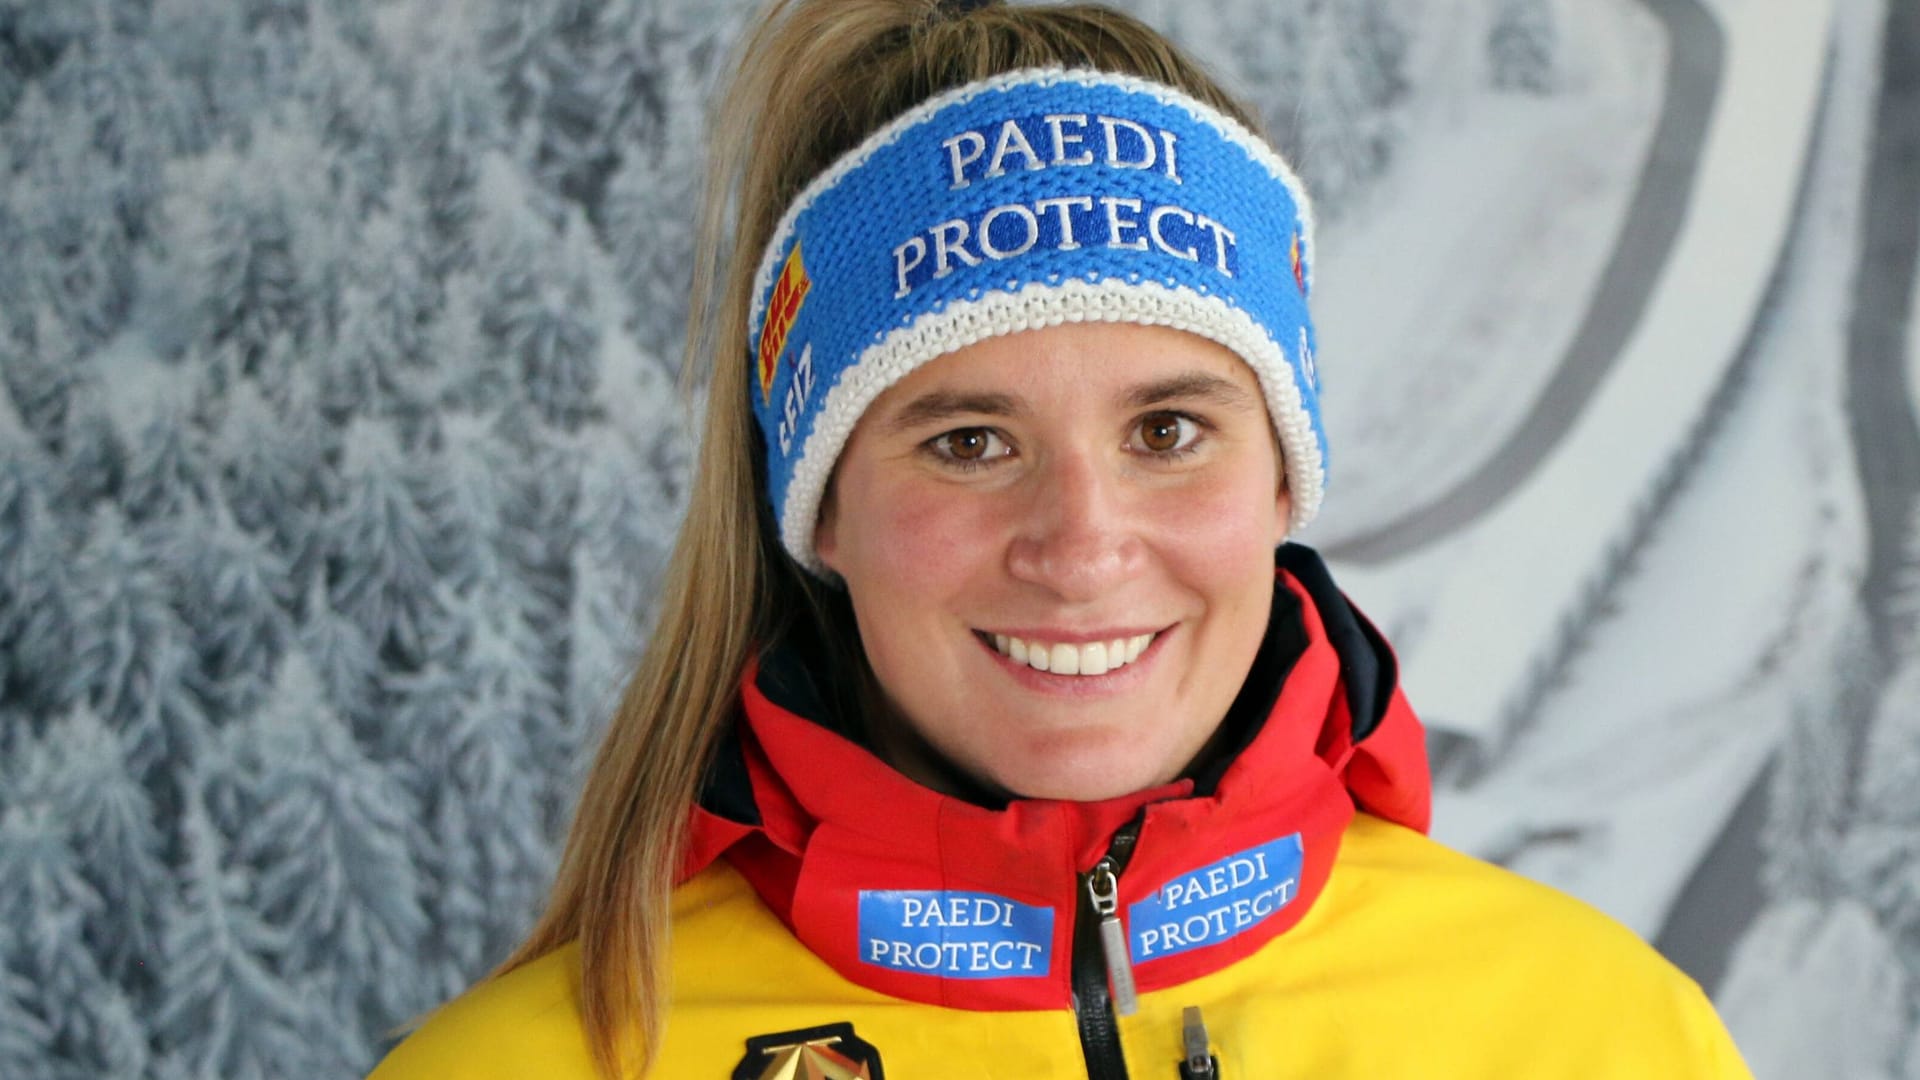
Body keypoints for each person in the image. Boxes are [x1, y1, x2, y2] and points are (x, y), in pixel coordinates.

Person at [371, 0, 1752, 1077]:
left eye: (1168, 432)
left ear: (1282, 478)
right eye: (970, 443)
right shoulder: (530, 1070)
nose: (1082, 547)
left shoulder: (1599, 1039)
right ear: (822, 509)